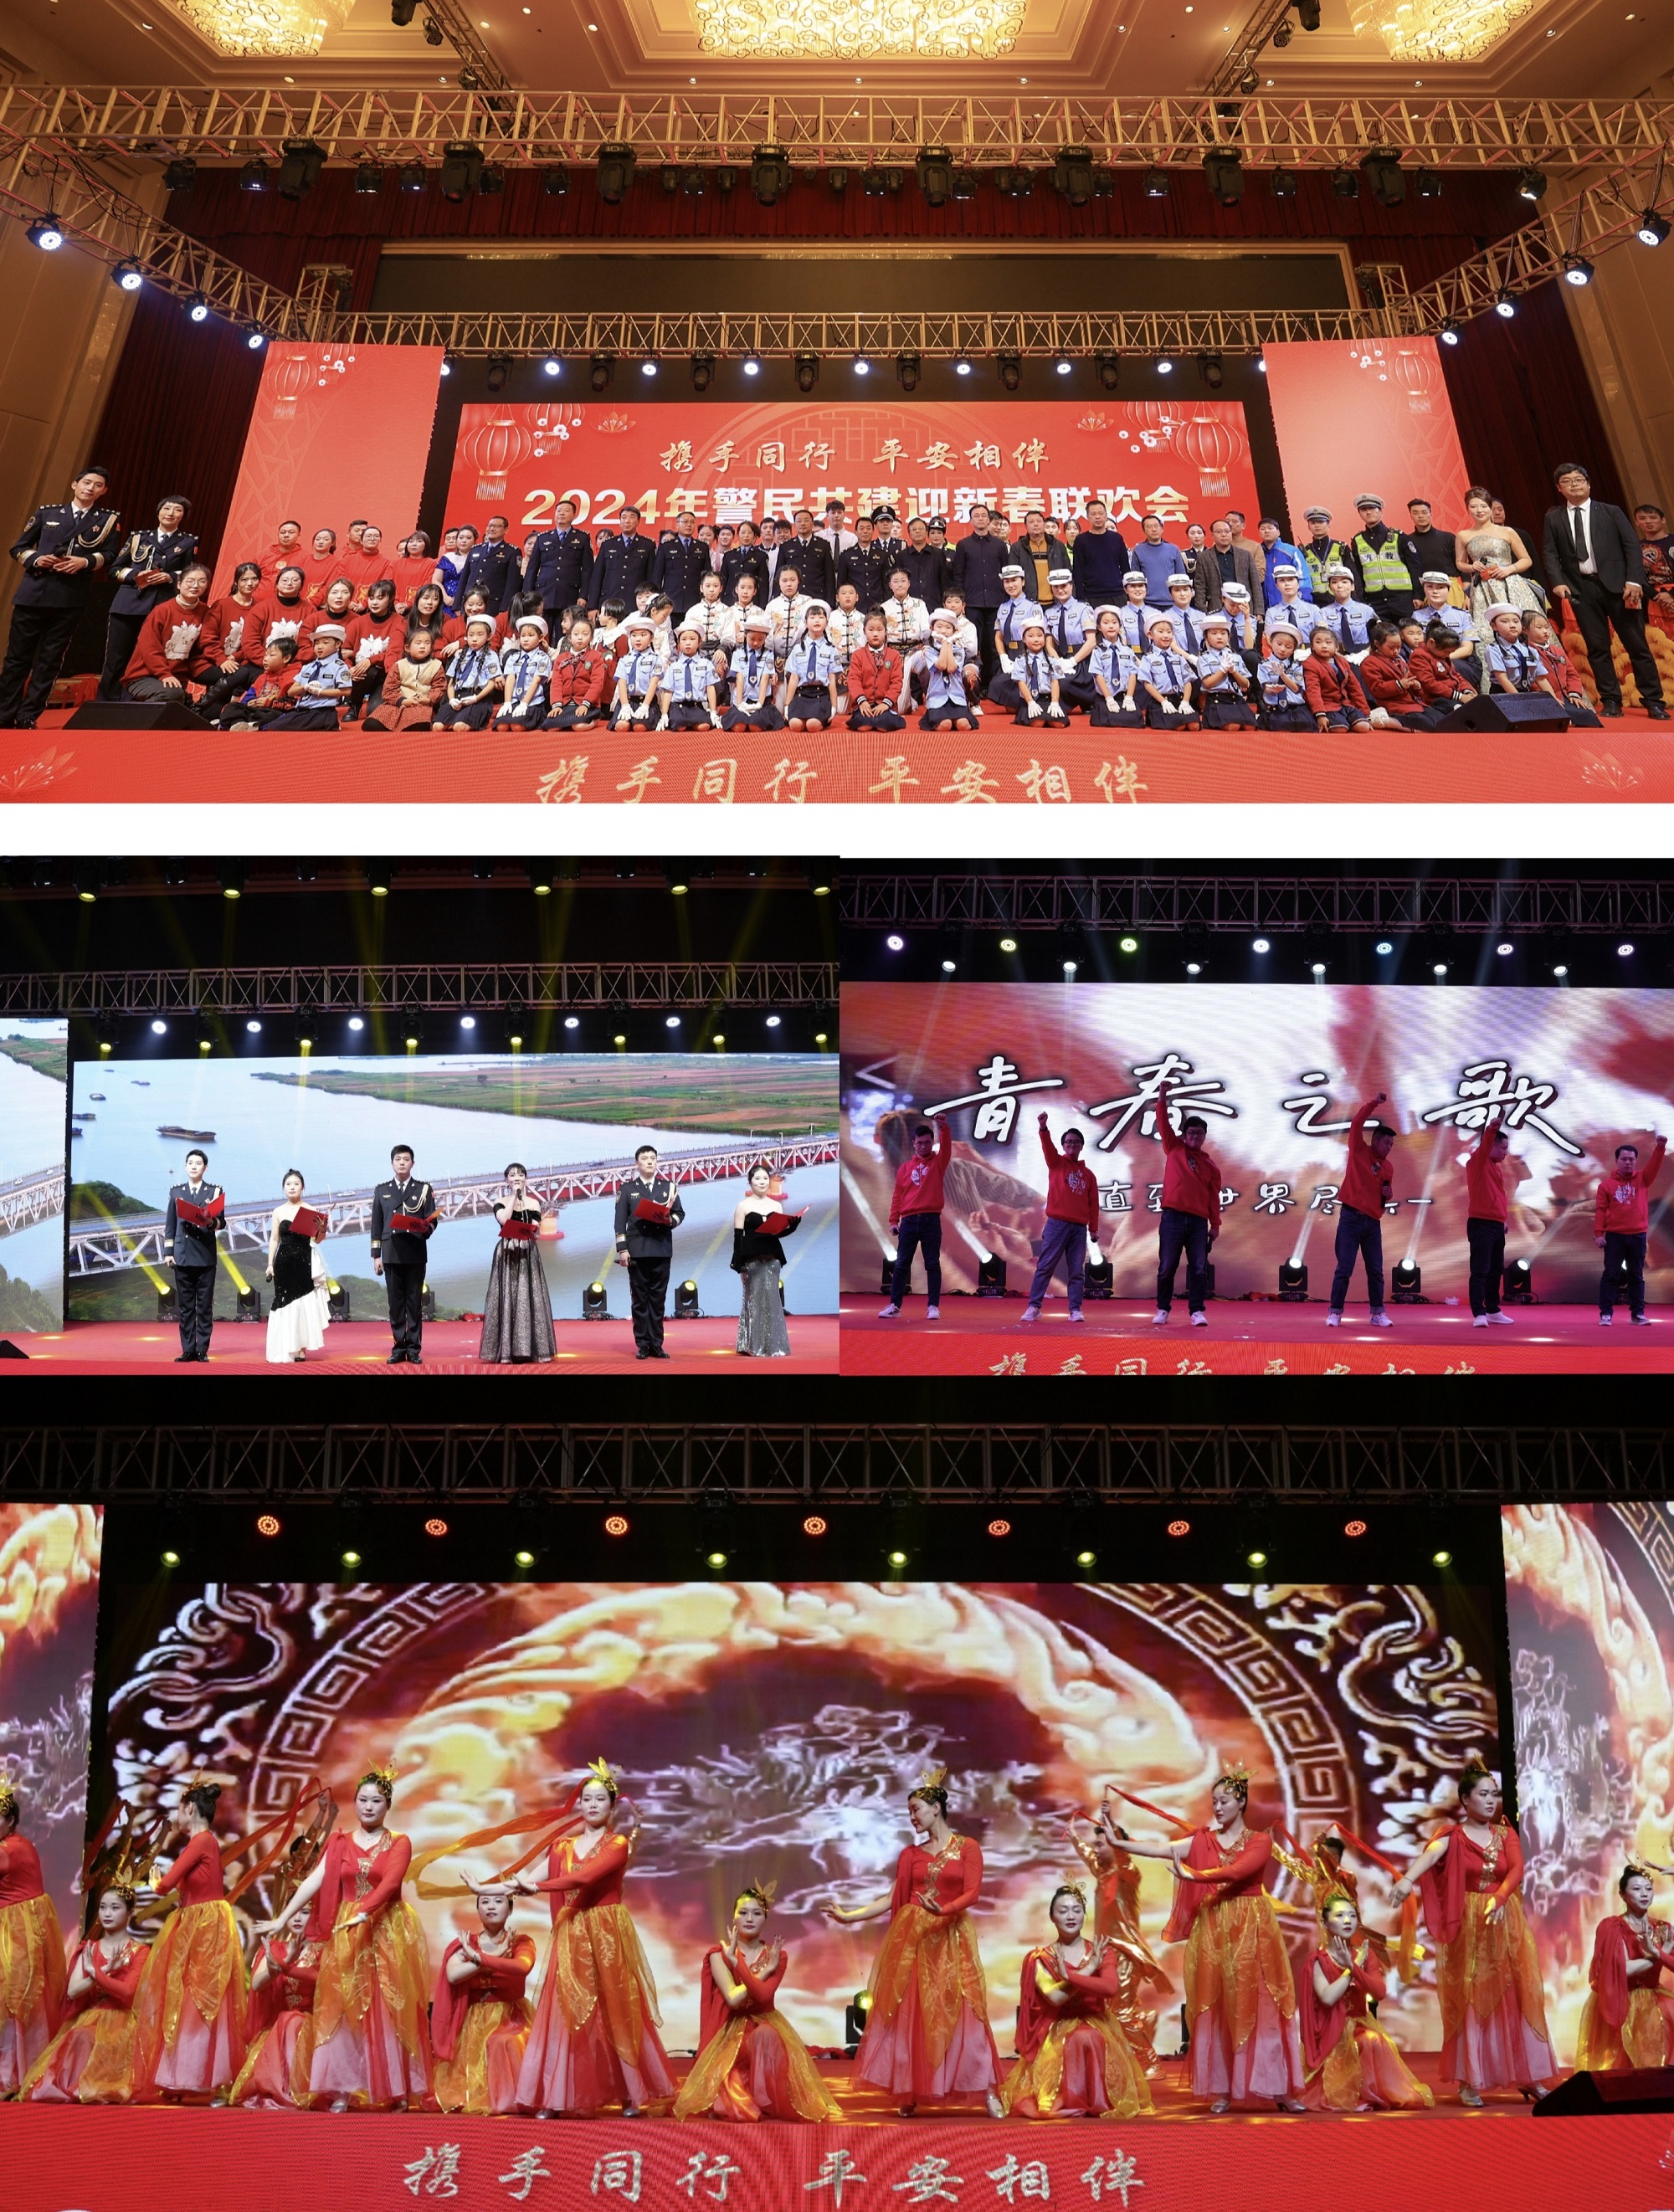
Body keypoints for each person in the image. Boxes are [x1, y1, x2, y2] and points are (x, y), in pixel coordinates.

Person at [488, 1759, 673, 2118]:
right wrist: (489, 1888)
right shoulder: (562, 1847)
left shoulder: (617, 1843)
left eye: (600, 1799)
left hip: (606, 1932)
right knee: (565, 2010)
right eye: (586, 1799)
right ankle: (556, 2097)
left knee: (616, 2009)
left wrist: (535, 1887)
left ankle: (631, 2095)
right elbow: (525, 1880)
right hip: (572, 1931)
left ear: (612, 1806)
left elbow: (582, 1880)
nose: (592, 1805)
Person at [1114, 1768, 1306, 2113]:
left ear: (1241, 1802)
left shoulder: (1260, 1841)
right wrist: (1119, 1844)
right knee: (1218, 2005)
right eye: (1214, 1801)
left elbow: (1238, 1871)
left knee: (1262, 2002)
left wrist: (1195, 1875)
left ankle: (1280, 2089)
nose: (1217, 1807)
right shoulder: (1203, 1840)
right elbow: (1159, 1849)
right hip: (1214, 1927)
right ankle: (1223, 2089)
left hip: (1251, 1926)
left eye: (1225, 1801)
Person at [824, 1765, 1000, 2114]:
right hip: (915, 1940)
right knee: (913, 2015)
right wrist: (849, 1916)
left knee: (967, 2012)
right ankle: (911, 2089)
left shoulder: (967, 1848)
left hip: (951, 1937)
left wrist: (943, 1910)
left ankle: (988, 2090)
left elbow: (972, 1893)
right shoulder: (911, 1855)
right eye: (909, 1812)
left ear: (936, 1808)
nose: (912, 1817)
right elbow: (893, 1897)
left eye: (916, 1809)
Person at [256, 1767, 432, 2112]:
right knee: (342, 2004)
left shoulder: (399, 1842)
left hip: (386, 1929)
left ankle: (394, 2089)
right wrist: (283, 1917)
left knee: (387, 2006)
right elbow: (314, 1881)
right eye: (363, 1800)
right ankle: (342, 2088)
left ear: (387, 1805)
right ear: (355, 1802)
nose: (368, 1806)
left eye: (376, 1801)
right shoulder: (340, 1843)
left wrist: (365, 1912)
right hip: (346, 1932)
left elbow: (390, 1883)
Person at [1391, 1761, 1557, 2105]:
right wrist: (1407, 1880)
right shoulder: (1452, 1837)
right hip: (1467, 1924)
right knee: (1468, 1996)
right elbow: (1431, 1855)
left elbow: (1517, 1869)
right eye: (1483, 1794)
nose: (1491, 1800)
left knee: (1517, 1994)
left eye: (1494, 1794)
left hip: (1504, 1921)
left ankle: (1529, 2075)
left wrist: (1500, 1898)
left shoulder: (1505, 1834)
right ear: (1465, 1800)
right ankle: (1470, 2079)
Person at [673, 1880, 840, 2122]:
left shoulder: (777, 1956)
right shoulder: (719, 1954)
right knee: (730, 2107)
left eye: (757, 1913)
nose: (749, 1918)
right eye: (743, 1913)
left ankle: (765, 2098)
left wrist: (748, 1965)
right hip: (729, 2033)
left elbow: (763, 1996)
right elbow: (733, 1999)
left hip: (762, 2027)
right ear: (733, 1917)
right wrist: (758, 1969)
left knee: (767, 2035)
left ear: (765, 1919)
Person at [993, 1882, 1152, 2121]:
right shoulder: (1041, 1958)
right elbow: (1055, 1998)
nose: (1071, 1916)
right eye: (1063, 1910)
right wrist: (1087, 1970)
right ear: (1052, 1917)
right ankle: (1071, 2099)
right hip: (1057, 2025)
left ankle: (1094, 2099)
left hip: (1096, 2021)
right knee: (1078, 2038)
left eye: (1077, 1910)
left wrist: (1070, 1977)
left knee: (1089, 2036)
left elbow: (1110, 1988)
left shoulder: (1101, 1951)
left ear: (1084, 1915)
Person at [133, 1780, 248, 2102]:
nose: (177, 1815)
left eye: (179, 1809)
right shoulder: (202, 1842)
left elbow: (165, 1884)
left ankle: (207, 2077)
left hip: (205, 1926)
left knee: (202, 1997)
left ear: (190, 1809)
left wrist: (155, 1882)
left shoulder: (202, 1841)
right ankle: (181, 2077)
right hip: (194, 1924)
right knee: (185, 1998)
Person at [1542, 462, 1667, 717]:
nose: (1574, 485)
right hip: (1581, 589)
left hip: (1620, 588)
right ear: (1559, 488)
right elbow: (1550, 552)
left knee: (1636, 645)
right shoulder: (1554, 517)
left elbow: (1631, 546)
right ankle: (1611, 701)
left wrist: (1634, 581)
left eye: (1579, 480)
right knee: (1597, 648)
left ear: (1588, 484)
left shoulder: (1610, 511)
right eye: (1567, 482)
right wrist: (1558, 581)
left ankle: (1653, 701)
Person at [0, 464, 121, 728]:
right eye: (87, 482)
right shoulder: (48, 513)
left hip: (70, 598)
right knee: (17, 658)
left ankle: (28, 715)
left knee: (49, 661)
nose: (91, 488)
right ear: (75, 485)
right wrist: (36, 558)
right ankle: (4, 713)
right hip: (34, 593)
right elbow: (18, 547)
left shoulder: (106, 520)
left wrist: (84, 562)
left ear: (103, 491)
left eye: (98, 485)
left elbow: (111, 555)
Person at [1299, 1891, 1433, 2112]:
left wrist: (1353, 1966)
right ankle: (1349, 2096)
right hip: (1329, 2029)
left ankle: (1369, 2095)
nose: (1347, 1920)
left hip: (1359, 2023)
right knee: (1355, 2044)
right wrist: (1350, 1971)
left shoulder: (1365, 1955)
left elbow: (1379, 1992)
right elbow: (1328, 1998)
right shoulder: (1317, 1960)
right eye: (1340, 1915)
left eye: (1352, 1916)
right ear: (1324, 1923)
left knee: (1372, 2040)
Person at [20, 1883, 146, 2104]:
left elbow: (127, 1993)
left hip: (122, 2020)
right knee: (80, 2036)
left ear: (130, 1912)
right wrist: (104, 1970)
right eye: (103, 1907)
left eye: (115, 1908)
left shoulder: (140, 1951)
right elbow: (73, 1991)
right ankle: (77, 2089)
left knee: (92, 2038)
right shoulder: (90, 1948)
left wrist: (96, 1973)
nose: (107, 1913)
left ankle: (93, 2088)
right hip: (90, 2017)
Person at [1067, 1807, 1168, 2068]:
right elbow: (1088, 1855)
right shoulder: (1102, 1873)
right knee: (1109, 2009)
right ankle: (1144, 2021)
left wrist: (1111, 1825)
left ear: (1115, 1844)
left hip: (1125, 1952)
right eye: (1096, 1845)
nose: (1096, 1849)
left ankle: (1149, 2063)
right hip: (1105, 1952)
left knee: (1119, 2012)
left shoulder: (1128, 1873)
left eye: (1102, 1844)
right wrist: (1073, 1836)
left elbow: (1122, 1855)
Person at [431, 1888, 536, 2115]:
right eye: (485, 1902)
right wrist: (493, 1956)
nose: (491, 1906)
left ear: (510, 1909)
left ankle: (511, 2099)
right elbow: (453, 1975)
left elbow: (522, 1967)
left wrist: (478, 1958)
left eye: (498, 1901)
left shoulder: (521, 1942)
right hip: (474, 2020)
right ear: (477, 1909)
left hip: (511, 2016)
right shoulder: (466, 1943)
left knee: (504, 2042)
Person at [0, 1778, 66, 2094]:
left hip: (16, 1932)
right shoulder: (19, 1843)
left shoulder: (9, 1850)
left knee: (15, 1999)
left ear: (10, 1820)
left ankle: (11, 2075)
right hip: (19, 1927)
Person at [1575, 1866, 1674, 2071]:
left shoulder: (1663, 1928)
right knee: (1620, 2068)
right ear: (1622, 1895)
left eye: (1648, 1888)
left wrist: (1659, 1953)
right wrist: (1658, 1956)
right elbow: (1623, 1969)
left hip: (1655, 1998)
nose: (1644, 1894)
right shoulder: (1612, 1927)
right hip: (1621, 1997)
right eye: (1637, 1889)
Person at [98, 495, 198, 699]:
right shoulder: (138, 538)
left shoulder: (188, 542)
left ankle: (133, 703)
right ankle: (105, 703)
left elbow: (190, 573)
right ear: (158, 512)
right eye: (167, 508)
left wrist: (170, 577)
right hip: (128, 605)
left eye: (177, 510)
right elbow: (114, 569)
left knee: (147, 658)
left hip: (161, 607)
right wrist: (136, 575)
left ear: (183, 516)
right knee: (115, 658)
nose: (171, 513)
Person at [229, 1905, 323, 2108]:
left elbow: (323, 1980)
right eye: (293, 1912)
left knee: (293, 2020)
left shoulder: (325, 1949)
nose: (297, 1918)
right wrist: (284, 1962)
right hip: (278, 2029)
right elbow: (256, 1984)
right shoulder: (275, 1948)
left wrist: (285, 1967)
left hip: (316, 2028)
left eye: (305, 1912)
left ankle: (292, 2091)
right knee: (288, 2020)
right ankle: (280, 2089)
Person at [1020, 1112, 1101, 1324]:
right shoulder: (1056, 1163)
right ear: (1063, 1146)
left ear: (1082, 1146)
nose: (1072, 1145)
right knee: (1045, 1266)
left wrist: (1093, 1228)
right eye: (1069, 1142)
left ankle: (1075, 1309)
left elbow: (1093, 1204)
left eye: (1076, 1142)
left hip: (1079, 1228)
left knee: (1076, 1271)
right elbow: (1047, 1147)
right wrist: (1043, 1127)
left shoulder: (1089, 1175)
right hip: (1057, 1224)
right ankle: (1034, 1307)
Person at [1153, 1077, 1220, 1327]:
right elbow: (1162, 1119)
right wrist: (1162, 1094)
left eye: (1199, 1133)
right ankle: (1163, 1309)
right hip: (1172, 1217)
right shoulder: (1174, 1148)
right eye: (1191, 1132)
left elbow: (1213, 1197)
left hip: (1198, 1222)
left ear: (1204, 1136)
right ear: (1184, 1135)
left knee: (1199, 1268)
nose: (1195, 1136)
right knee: (1167, 1266)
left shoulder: (1211, 1166)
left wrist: (1216, 1224)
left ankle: (1197, 1311)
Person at [1327, 1094, 1395, 1329]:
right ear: (1375, 1141)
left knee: (1376, 1270)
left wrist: (1388, 1195)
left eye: (1391, 1145)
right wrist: (1373, 1103)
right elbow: (1357, 1123)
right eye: (1386, 1143)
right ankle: (1335, 1313)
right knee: (1344, 1268)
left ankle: (1378, 1313)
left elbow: (1382, 1197)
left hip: (1373, 1223)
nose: (1389, 1148)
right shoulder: (1359, 1150)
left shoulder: (1388, 1167)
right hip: (1351, 1218)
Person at [480, 1162, 557, 1364]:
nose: (517, 1178)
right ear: (506, 1180)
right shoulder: (500, 1202)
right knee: (508, 1295)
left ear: (525, 1179)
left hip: (527, 1251)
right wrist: (514, 1197)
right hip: (507, 1251)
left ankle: (532, 1349)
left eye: (521, 1175)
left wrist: (533, 1230)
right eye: (513, 1175)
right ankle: (506, 1351)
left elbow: (534, 1229)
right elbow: (504, 1220)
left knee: (528, 1295)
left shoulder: (533, 1203)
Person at [614, 1143, 685, 1360]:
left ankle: (657, 1344)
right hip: (637, 1251)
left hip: (661, 1249)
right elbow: (620, 1222)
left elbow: (680, 1214)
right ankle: (643, 1344)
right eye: (645, 1159)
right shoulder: (627, 1189)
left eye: (653, 1158)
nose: (649, 1162)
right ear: (636, 1164)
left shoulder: (668, 1187)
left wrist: (669, 1220)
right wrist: (622, 1249)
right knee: (639, 1300)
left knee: (658, 1299)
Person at [878, 1115, 951, 1320]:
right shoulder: (904, 1169)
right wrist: (894, 1221)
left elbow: (947, 1148)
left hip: (931, 1220)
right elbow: (897, 1196)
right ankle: (894, 1306)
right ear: (914, 1144)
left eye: (927, 1142)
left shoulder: (938, 1162)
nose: (923, 1146)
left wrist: (944, 1128)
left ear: (932, 1142)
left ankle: (933, 1306)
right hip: (909, 1221)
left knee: (932, 1264)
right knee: (901, 1264)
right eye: (920, 1143)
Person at [370, 1144, 436, 1364]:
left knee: (414, 1303)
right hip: (390, 1253)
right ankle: (399, 1348)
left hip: (415, 1251)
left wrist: (426, 1228)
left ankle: (414, 1349)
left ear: (412, 1164)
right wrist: (376, 1256)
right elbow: (376, 1225)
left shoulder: (423, 1189)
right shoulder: (381, 1190)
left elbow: (432, 1220)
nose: (402, 1163)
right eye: (398, 1159)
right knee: (396, 1304)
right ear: (392, 1163)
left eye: (406, 1159)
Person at [732, 1164, 804, 1358]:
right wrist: (737, 1263)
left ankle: (774, 1346)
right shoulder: (743, 1206)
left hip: (773, 1259)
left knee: (773, 1301)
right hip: (752, 1260)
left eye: (765, 1178)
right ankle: (753, 1345)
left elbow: (777, 1234)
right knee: (753, 1301)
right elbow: (738, 1237)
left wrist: (792, 1228)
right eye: (757, 1179)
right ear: (750, 1182)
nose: (762, 1182)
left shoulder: (776, 1206)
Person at [118, 562, 215, 703]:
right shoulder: (162, 611)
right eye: (190, 581)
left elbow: (207, 644)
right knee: (172, 695)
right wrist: (164, 674)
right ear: (179, 584)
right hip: (144, 675)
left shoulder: (206, 612)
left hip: (176, 678)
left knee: (184, 705)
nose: (195, 586)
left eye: (202, 581)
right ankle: (133, 715)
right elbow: (149, 648)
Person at [1595, 1131, 1666, 1327]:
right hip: (1615, 1237)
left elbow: (1654, 1165)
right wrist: (1598, 1234)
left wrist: (1660, 1148)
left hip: (1637, 1236)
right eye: (1624, 1159)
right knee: (1611, 1275)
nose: (1628, 1163)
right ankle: (1606, 1314)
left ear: (1635, 1162)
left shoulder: (1643, 1179)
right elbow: (1600, 1211)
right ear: (1616, 1161)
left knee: (1636, 1276)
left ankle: (1637, 1314)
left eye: (1631, 1160)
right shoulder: (1606, 1186)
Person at [163, 1147, 224, 1361]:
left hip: (205, 1257)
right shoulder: (176, 1192)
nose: (194, 1167)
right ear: (185, 1167)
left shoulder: (214, 1191)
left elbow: (221, 1223)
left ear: (205, 1168)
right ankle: (188, 1349)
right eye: (190, 1163)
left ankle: (202, 1350)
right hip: (182, 1256)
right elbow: (170, 1224)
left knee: (204, 1307)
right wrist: (168, 1252)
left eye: (198, 1164)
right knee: (186, 1307)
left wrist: (211, 1221)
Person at [264, 1168, 330, 1364]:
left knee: (302, 1304)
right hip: (283, 1263)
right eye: (288, 1184)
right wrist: (270, 1264)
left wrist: (323, 1230)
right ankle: (285, 1346)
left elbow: (317, 1239)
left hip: (304, 1262)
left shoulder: (310, 1210)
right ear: (283, 1188)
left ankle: (301, 1349)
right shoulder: (278, 1211)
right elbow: (274, 1239)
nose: (292, 1187)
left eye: (296, 1184)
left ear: (303, 1187)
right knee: (283, 1302)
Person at [365, 627, 445, 731]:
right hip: (400, 703)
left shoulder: (436, 665)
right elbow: (389, 690)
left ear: (432, 648)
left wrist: (428, 699)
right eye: (418, 643)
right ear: (407, 648)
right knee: (372, 723)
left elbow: (439, 687)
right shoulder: (399, 665)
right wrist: (403, 701)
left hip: (421, 704)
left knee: (419, 722)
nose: (422, 646)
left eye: (427, 643)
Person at [588, 506, 655, 618]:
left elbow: (651, 578)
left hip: (635, 604)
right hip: (609, 601)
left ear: (638, 521)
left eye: (631, 517)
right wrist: (592, 606)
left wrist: (650, 603)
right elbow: (597, 577)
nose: (627, 521)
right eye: (623, 518)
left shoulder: (648, 545)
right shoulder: (608, 545)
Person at [1194, 516, 1266, 617]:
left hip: (1243, 607)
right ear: (1212, 535)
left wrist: (1259, 611)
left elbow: (1256, 584)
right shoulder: (1203, 557)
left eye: (1227, 531)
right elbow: (1200, 587)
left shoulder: (1245, 555)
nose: (1224, 535)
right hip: (1217, 608)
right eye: (1219, 532)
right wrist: (1202, 612)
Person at [1194, 612, 1256, 726]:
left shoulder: (1236, 657)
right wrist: (1222, 671)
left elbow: (1246, 684)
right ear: (1206, 637)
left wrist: (1234, 671)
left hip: (1236, 699)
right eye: (1214, 633)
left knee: (1250, 727)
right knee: (1233, 727)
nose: (1219, 637)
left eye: (1223, 633)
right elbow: (1207, 684)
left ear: (1228, 636)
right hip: (1217, 700)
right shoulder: (1204, 658)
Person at [1137, 613, 1199, 727]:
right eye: (1161, 632)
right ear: (1150, 635)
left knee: (1194, 726)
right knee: (1180, 726)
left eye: (1169, 632)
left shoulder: (1179, 657)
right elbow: (1147, 684)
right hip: (1161, 702)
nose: (1166, 636)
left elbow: (1188, 681)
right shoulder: (1148, 659)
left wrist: (1185, 701)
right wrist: (1163, 701)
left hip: (1180, 701)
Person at [726, 609, 784, 729]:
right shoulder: (738, 654)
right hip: (743, 699)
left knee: (755, 727)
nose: (756, 643)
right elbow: (739, 679)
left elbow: (765, 679)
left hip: (760, 700)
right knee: (739, 727)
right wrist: (740, 704)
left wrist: (759, 704)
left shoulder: (768, 655)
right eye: (752, 639)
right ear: (745, 635)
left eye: (760, 640)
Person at [783, 604, 840, 730]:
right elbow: (794, 679)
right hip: (801, 695)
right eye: (812, 617)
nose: (817, 620)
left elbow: (832, 681)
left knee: (812, 725)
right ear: (805, 622)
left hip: (821, 695)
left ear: (827, 623)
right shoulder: (797, 649)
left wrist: (834, 707)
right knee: (795, 726)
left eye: (821, 617)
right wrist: (787, 705)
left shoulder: (831, 649)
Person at [1070, 496, 1131, 608]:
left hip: (1117, 594)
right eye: (1093, 514)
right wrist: (1081, 598)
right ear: (1088, 517)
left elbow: (1125, 568)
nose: (1097, 517)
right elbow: (1078, 571)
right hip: (1091, 595)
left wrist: (1128, 595)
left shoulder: (1116, 538)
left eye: (1101, 513)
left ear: (1106, 516)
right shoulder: (1081, 540)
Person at [1255, 622, 1312, 728]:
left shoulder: (1296, 665)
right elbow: (1265, 688)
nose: (1282, 649)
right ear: (1271, 641)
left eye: (1288, 647)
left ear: (1294, 649)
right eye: (1279, 644)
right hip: (1275, 708)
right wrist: (1273, 690)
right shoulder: (1264, 665)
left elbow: (1296, 689)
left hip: (1296, 708)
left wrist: (1282, 675)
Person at [1298, 506, 1349, 599]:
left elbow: (1353, 575)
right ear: (1308, 526)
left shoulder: (1341, 547)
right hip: (1315, 601)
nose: (1317, 525)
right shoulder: (1304, 551)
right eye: (1313, 523)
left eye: (1321, 522)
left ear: (1329, 525)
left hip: (1339, 599)